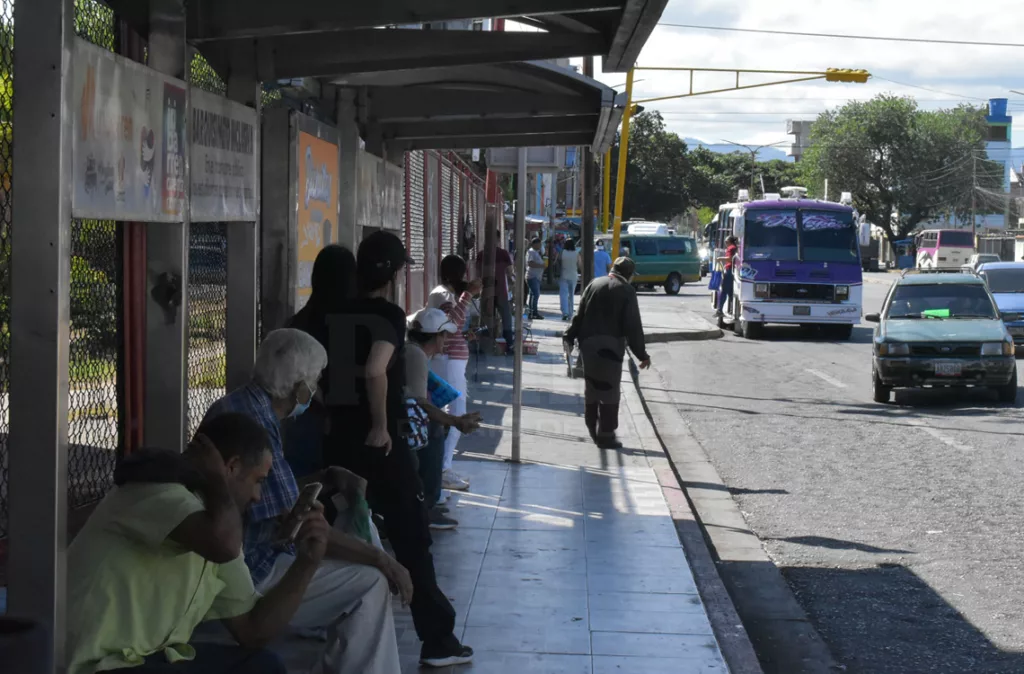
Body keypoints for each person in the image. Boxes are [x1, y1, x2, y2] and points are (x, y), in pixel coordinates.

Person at [202, 328, 408, 674]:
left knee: (353, 520)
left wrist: (325, 476)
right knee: (369, 582)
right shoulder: (256, 425)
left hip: (246, 545)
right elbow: (290, 523)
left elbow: (263, 494)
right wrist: (383, 560)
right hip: (253, 566)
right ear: (300, 387)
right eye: (314, 380)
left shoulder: (241, 404)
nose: (315, 389)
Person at [65, 413, 330, 674]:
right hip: (100, 664)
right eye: (258, 481)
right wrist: (217, 481)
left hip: (151, 659)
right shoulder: (157, 491)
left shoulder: (221, 524)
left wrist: (307, 562)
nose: (258, 496)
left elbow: (253, 631)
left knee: (262, 666)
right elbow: (222, 545)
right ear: (231, 467)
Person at [317, 230, 474, 668]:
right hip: (379, 445)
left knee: (339, 529)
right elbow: (374, 369)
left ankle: (330, 622)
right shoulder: (385, 314)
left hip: (337, 441)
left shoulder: (333, 312)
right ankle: (438, 639)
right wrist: (383, 425)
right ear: (394, 274)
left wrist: (328, 411)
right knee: (411, 537)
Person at [405, 308, 483, 529]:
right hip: (403, 422)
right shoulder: (416, 355)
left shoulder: (415, 352)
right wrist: (454, 421)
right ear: (435, 336)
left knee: (437, 430)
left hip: (404, 417)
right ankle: (426, 508)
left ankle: (427, 503)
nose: (447, 340)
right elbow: (420, 403)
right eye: (444, 335)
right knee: (434, 433)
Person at [564, 257, 651, 449]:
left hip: (588, 345)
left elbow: (579, 315)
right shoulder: (627, 291)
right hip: (610, 345)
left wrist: (569, 336)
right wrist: (642, 354)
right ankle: (606, 435)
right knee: (609, 391)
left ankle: (592, 427)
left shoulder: (593, 284)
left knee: (592, 387)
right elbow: (633, 326)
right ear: (628, 275)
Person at [427, 255, 482, 494]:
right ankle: (442, 468)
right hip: (448, 361)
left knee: (454, 410)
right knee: (457, 413)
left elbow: (452, 329)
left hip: (451, 360)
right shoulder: (444, 295)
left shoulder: (445, 295)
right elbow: (452, 324)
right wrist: (468, 294)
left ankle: (443, 467)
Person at [475, 244, 516, 353]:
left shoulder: (481, 254)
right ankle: (509, 345)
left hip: (486, 292)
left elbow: (477, 273)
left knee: (485, 319)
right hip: (501, 291)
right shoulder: (503, 254)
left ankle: (483, 346)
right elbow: (510, 271)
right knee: (506, 318)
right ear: (497, 239)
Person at [715, 235, 740, 317]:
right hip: (734, 271)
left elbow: (729, 258)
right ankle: (731, 309)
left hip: (729, 271)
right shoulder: (735, 247)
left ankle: (720, 310)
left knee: (724, 290)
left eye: (726, 242)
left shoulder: (731, 248)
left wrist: (720, 258)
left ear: (729, 241)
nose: (725, 244)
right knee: (730, 292)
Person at [558, 239, 582, 321]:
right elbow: (580, 265)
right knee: (571, 295)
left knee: (563, 295)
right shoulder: (577, 254)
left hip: (564, 275)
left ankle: (565, 312)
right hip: (573, 276)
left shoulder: (562, 252)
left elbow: (557, 262)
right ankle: (570, 313)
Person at [526, 237, 546, 319]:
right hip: (532, 276)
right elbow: (530, 263)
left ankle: (531, 312)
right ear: (535, 244)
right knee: (536, 294)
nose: (540, 245)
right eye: (539, 244)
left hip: (536, 277)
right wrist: (541, 265)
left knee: (532, 295)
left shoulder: (536, 252)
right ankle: (534, 312)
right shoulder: (531, 252)